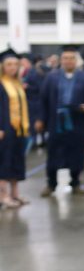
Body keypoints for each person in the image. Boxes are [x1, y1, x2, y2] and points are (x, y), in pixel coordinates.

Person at [37, 46, 84, 196]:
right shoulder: (52, 77)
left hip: (77, 121)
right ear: (60, 60)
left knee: (76, 153)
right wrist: (40, 119)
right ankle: (51, 183)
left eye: (71, 58)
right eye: (65, 58)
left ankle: (75, 181)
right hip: (56, 122)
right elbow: (43, 100)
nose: (68, 61)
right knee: (53, 153)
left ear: (76, 61)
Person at [0, 48, 30, 208]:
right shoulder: (1, 83)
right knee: (4, 162)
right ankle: (3, 196)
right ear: (2, 66)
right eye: (8, 64)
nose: (12, 67)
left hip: (19, 129)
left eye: (15, 64)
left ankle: (15, 194)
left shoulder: (16, 83)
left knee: (17, 160)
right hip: (5, 129)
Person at [21, 53, 47, 149]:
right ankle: (35, 141)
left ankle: (37, 142)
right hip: (30, 101)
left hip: (35, 101)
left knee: (36, 122)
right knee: (32, 123)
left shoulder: (34, 72)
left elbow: (40, 88)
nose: (21, 64)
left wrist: (28, 87)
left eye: (23, 62)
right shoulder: (26, 72)